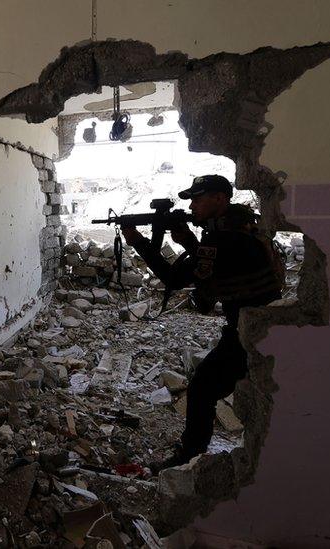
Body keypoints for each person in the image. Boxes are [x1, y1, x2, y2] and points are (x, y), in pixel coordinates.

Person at [120, 174, 282, 470]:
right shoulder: (242, 224)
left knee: (202, 388)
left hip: (250, 333)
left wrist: (139, 242)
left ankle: (189, 459)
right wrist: (191, 242)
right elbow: (222, 269)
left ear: (219, 199)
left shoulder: (223, 238)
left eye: (198, 198)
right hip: (261, 325)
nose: (192, 205)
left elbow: (174, 278)